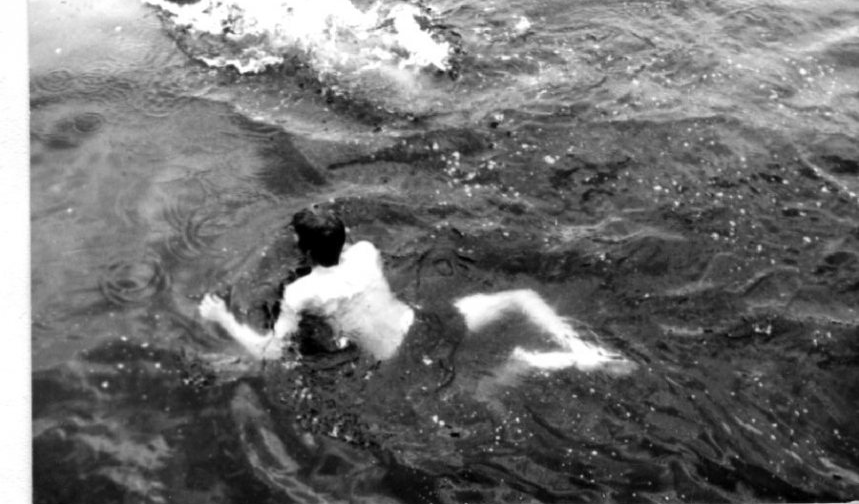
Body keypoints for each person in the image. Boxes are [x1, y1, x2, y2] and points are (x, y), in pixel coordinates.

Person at [199, 206, 632, 373]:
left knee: (248, 361)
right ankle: (577, 349)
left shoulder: (301, 293)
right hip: (429, 324)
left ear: (304, 249)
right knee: (523, 299)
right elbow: (339, 249)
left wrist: (223, 319)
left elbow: (273, 352)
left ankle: (527, 365)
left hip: (401, 357)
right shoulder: (366, 252)